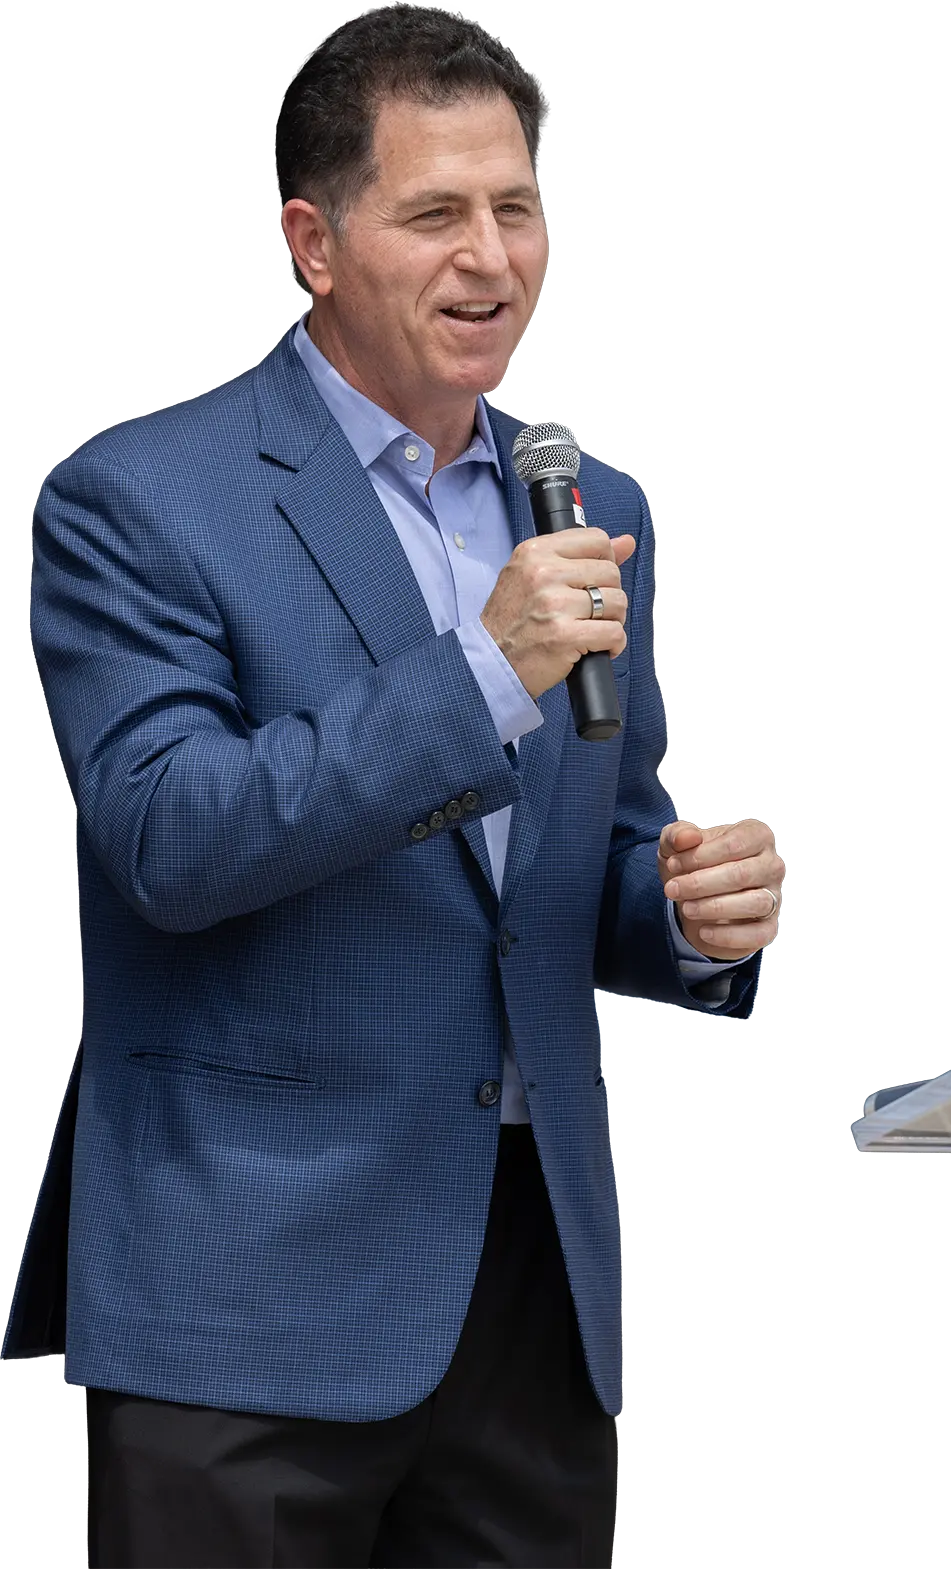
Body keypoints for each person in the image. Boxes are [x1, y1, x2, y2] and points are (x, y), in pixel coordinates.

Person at [2, 9, 785, 1566]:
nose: (491, 259)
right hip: (248, 1300)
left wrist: (691, 914)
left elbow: (585, 861)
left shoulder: (592, 502)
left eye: (518, 209)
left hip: (530, 1296)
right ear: (313, 240)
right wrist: (486, 672)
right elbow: (172, 836)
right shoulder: (141, 499)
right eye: (436, 214)